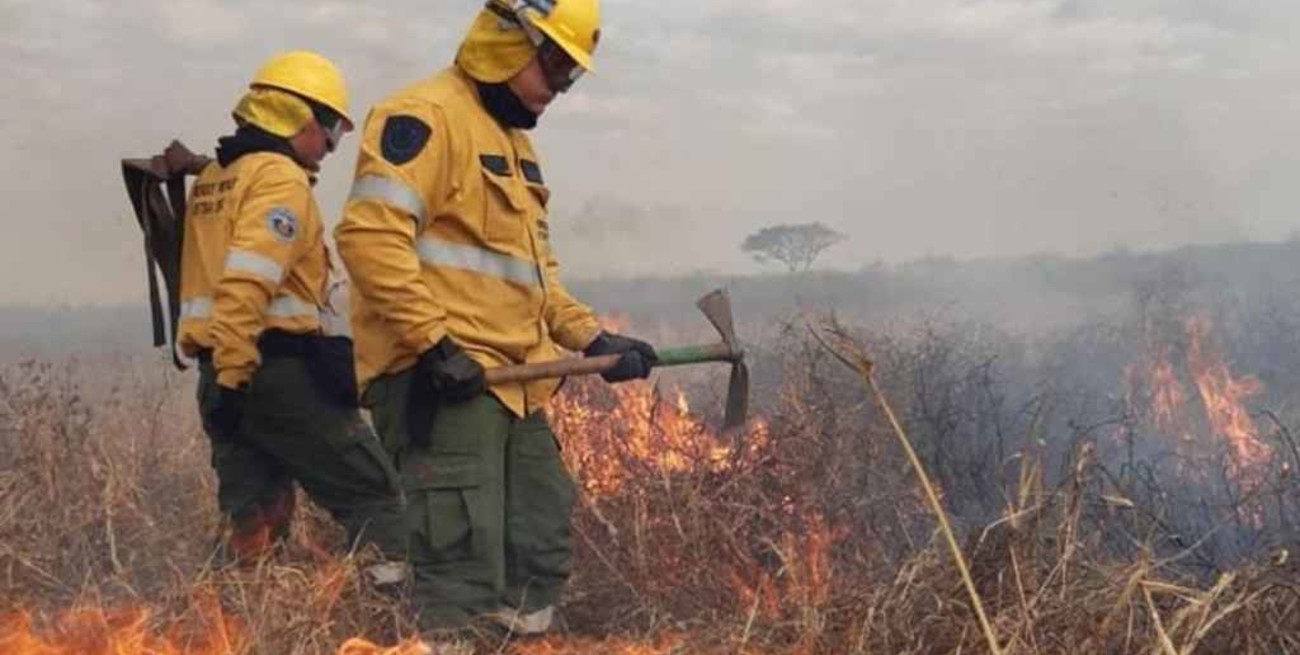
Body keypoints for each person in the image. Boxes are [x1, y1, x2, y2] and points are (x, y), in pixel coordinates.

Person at [336, 0, 657, 637]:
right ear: (507, 40)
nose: (559, 89)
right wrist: (435, 346)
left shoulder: (513, 147)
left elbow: (535, 281)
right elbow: (370, 239)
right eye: (555, 67)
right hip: (444, 381)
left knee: (537, 553)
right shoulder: (425, 116)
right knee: (461, 575)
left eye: (572, 76)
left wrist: (595, 337)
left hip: (514, 386)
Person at [176, 51, 407, 581]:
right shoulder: (279, 180)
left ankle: (247, 625)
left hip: (220, 375)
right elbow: (246, 284)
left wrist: (226, 384)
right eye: (330, 130)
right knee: (376, 494)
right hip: (270, 371)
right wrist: (239, 376)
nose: (330, 146)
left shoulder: (215, 177)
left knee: (253, 521)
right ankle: (390, 618)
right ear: (300, 119)